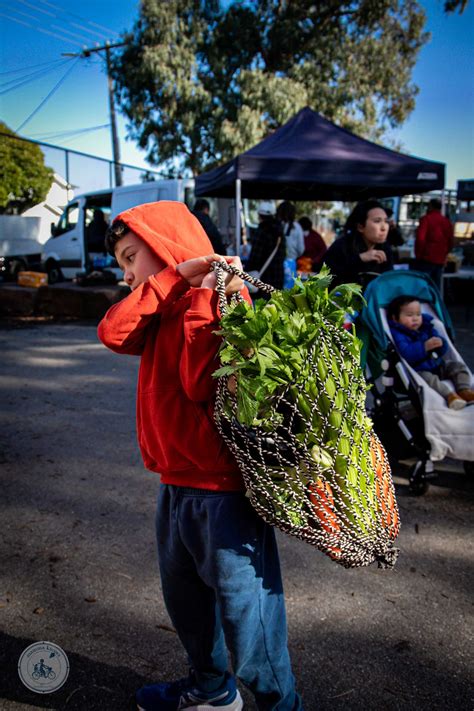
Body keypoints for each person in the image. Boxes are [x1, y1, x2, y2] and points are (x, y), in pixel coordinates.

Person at [97, 201, 302, 711]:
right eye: (121, 265)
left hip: (223, 493)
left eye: (130, 258)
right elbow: (112, 332)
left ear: (166, 244)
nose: (126, 275)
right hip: (175, 483)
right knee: (187, 603)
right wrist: (168, 282)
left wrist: (201, 293)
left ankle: (282, 704)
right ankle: (212, 690)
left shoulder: (225, 299)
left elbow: (198, 382)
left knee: (248, 618)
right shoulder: (160, 302)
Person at [387, 295, 474, 410]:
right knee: (429, 379)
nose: (415, 318)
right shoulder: (398, 334)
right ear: (395, 318)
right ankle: (450, 396)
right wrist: (424, 347)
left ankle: (464, 390)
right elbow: (406, 353)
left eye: (418, 314)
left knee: (457, 366)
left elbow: (442, 351)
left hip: (437, 365)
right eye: (409, 315)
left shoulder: (426, 327)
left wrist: (441, 343)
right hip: (418, 370)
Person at [322, 200, 393, 287]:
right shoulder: (342, 246)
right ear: (360, 227)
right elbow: (325, 277)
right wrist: (360, 259)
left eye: (386, 221)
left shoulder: (385, 248)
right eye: (377, 221)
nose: (384, 227)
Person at [245, 201, 286, 294]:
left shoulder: (261, 231)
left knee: (262, 306)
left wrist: (245, 269)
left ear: (259, 215)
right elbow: (283, 254)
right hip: (278, 276)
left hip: (264, 278)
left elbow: (255, 257)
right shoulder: (280, 231)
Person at [414, 198, 454, 290]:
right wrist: (445, 254)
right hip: (440, 258)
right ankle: (436, 304)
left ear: (430, 206)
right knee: (436, 286)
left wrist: (418, 255)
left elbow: (420, 239)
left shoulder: (426, 219)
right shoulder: (446, 221)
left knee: (423, 286)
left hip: (426, 258)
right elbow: (451, 241)